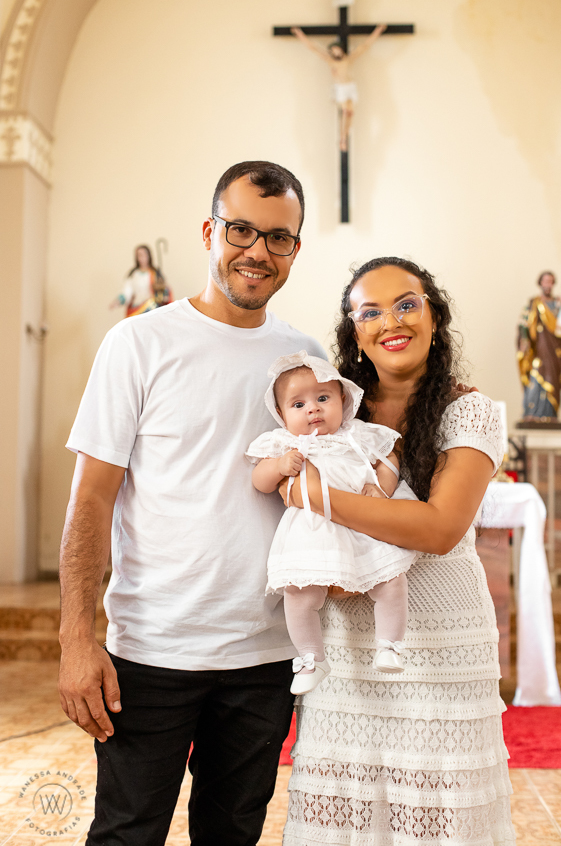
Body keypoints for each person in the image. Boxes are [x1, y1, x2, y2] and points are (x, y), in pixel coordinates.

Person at [58, 161, 327, 846]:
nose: (258, 251)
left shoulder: (304, 358)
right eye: (241, 230)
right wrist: (76, 639)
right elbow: (91, 501)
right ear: (210, 232)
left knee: (231, 835)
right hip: (153, 650)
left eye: (279, 237)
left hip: (264, 655)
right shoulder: (138, 343)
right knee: (127, 834)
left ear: (295, 249)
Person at [282, 257, 516, 845]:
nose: (392, 321)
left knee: (439, 817)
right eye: (371, 312)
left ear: (435, 316)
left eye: (407, 304)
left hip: (439, 644)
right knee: (345, 817)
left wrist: (316, 496)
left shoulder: (468, 410)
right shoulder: (332, 411)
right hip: (345, 648)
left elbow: (438, 528)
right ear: (354, 333)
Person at [246, 351, 419, 695]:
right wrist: (279, 466)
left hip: (362, 522)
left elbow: (389, 458)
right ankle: (311, 658)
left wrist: (381, 486)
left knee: (390, 579)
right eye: (298, 405)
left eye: (323, 398)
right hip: (313, 532)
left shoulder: (357, 435)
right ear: (281, 414)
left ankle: (389, 644)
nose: (313, 409)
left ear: (343, 400)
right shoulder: (285, 443)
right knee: (299, 594)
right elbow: (259, 481)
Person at [291, 24, 387, 151]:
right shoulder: (330, 61)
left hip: (351, 87)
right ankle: (342, 138)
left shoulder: (349, 59)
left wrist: (378, 31)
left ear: (341, 49)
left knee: (350, 113)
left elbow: (365, 46)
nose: (335, 52)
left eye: (337, 49)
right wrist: (299, 33)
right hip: (340, 89)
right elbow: (313, 47)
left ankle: (345, 136)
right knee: (345, 111)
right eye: (333, 51)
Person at [517, 270, 561, 420]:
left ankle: (550, 414)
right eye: (545, 281)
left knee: (552, 380)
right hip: (538, 350)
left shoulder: (558, 304)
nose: (548, 284)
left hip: (554, 350)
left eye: (550, 281)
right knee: (536, 377)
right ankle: (532, 413)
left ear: (553, 283)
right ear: (540, 283)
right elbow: (523, 324)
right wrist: (524, 340)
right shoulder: (533, 303)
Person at [109, 243, 172, 316]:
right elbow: (127, 291)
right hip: (137, 309)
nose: (141, 258)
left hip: (152, 309)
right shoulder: (134, 274)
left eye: (143, 255)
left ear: (148, 256)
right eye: (138, 255)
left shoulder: (155, 273)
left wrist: (161, 289)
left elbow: (164, 292)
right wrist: (118, 301)